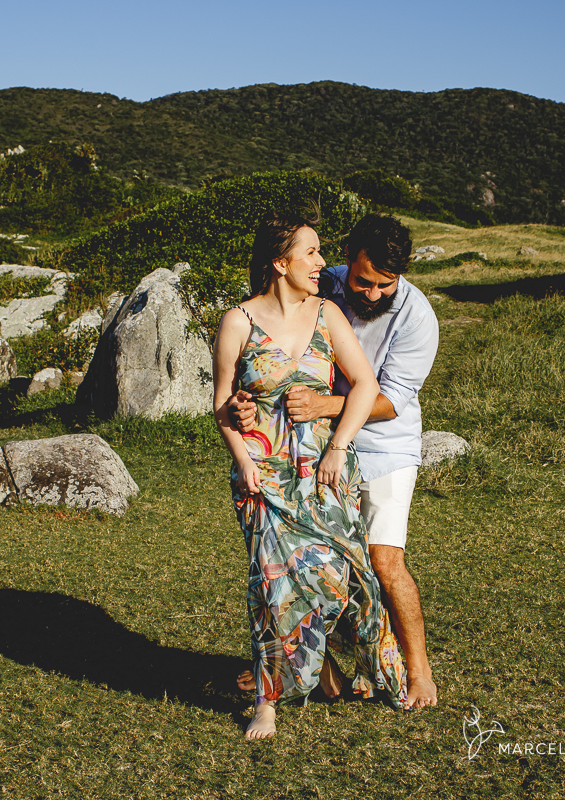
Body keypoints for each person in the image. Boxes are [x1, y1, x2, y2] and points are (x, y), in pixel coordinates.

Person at [229, 213, 440, 710]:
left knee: (382, 561)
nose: (372, 293)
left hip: (384, 444)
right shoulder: (323, 283)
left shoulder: (416, 316)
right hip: (309, 445)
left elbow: (389, 400)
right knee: (308, 560)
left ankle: (418, 672)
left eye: (385, 285)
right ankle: (312, 667)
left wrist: (324, 407)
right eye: (363, 281)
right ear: (350, 259)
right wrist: (248, 402)